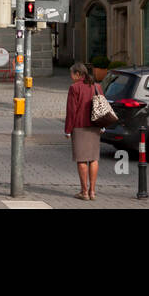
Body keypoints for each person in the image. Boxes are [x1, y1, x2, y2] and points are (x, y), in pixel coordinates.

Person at [64, 62, 101, 201]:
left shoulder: (74, 88)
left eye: (72, 74)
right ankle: (92, 191)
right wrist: (103, 125)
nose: (71, 77)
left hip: (79, 126)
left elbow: (71, 111)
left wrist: (67, 130)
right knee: (93, 159)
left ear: (78, 74)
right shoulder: (97, 86)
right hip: (95, 126)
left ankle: (84, 192)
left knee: (81, 159)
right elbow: (102, 106)